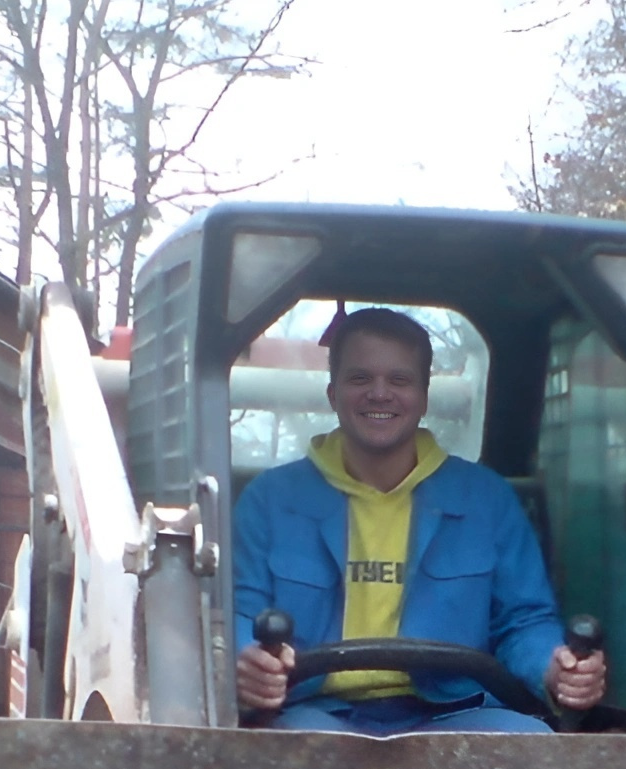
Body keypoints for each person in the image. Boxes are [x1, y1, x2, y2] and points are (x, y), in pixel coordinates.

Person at [231, 306, 606, 733]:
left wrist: (554, 670)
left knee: (531, 743)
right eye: (360, 378)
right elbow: (241, 613)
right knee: (300, 752)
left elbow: (523, 622)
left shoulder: (487, 501)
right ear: (333, 394)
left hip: (454, 710)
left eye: (399, 380)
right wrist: (250, 662)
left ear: (424, 397)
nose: (379, 393)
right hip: (316, 710)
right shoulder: (270, 501)